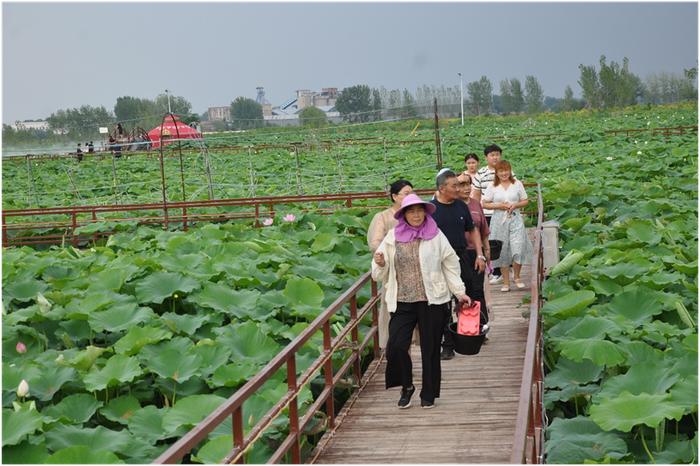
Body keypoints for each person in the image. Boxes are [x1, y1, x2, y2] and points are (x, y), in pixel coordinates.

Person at [372, 193, 471, 409]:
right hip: (402, 300)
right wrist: (379, 263)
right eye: (411, 211)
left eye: (419, 211)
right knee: (396, 346)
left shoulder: (435, 235)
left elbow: (450, 265)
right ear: (403, 214)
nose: (416, 215)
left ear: (425, 213)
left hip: (432, 300)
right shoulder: (392, 237)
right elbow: (378, 274)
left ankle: (429, 394)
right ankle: (406, 386)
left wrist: (459, 292)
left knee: (431, 348)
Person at [430, 169, 486, 360]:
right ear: (441, 188)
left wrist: (480, 255)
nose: (458, 189)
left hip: (461, 257)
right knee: (444, 303)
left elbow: (473, 230)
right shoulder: (430, 210)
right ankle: (447, 344)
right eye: (454, 186)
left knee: (466, 296)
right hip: (438, 261)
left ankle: (467, 336)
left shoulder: (461, 207)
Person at [367, 179, 414, 349]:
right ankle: (398, 355)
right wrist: (390, 251)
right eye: (406, 194)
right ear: (394, 196)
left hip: (415, 274)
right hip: (393, 272)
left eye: (412, 193)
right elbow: (375, 243)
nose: (411, 197)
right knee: (393, 313)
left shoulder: (416, 214)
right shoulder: (383, 217)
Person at [482, 160, 533, 292]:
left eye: (506, 170)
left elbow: (525, 200)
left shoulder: (517, 184)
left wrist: (515, 205)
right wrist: (500, 205)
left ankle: (516, 276)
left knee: (518, 246)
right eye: (501, 171)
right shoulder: (492, 186)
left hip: (515, 218)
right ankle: (505, 282)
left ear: (510, 171)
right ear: (497, 173)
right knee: (502, 250)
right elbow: (485, 203)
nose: (504, 173)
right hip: (499, 219)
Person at [472, 144, 516, 285]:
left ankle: (507, 268)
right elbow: (477, 195)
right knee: (493, 244)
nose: (495, 157)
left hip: (506, 213)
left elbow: (515, 189)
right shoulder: (481, 174)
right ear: (486, 158)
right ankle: (496, 272)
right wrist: (476, 213)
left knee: (508, 241)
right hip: (488, 213)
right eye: (492, 155)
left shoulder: (508, 171)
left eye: (497, 154)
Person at [456, 172, 490, 327]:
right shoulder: (453, 206)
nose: (466, 188)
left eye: (468, 184)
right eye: (461, 184)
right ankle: (465, 327)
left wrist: (484, 252)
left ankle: (481, 325)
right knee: (463, 291)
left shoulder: (476, 204)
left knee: (477, 290)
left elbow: (483, 230)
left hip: (476, 253)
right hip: (458, 254)